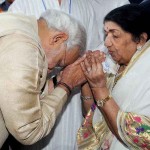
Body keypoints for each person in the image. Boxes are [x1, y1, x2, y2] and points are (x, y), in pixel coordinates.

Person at [8, 0, 102, 149]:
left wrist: (66, 81)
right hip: (31, 122)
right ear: (57, 38)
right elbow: (27, 128)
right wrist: (65, 84)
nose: (51, 68)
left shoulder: (87, 7)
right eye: (59, 62)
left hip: (72, 112)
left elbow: (86, 64)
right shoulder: (22, 7)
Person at [77, 4, 150, 149]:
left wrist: (99, 88)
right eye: (106, 34)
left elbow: (143, 137)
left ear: (140, 40)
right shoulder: (115, 66)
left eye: (115, 35)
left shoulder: (145, 74)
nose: (106, 43)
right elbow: (95, 120)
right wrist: (87, 82)